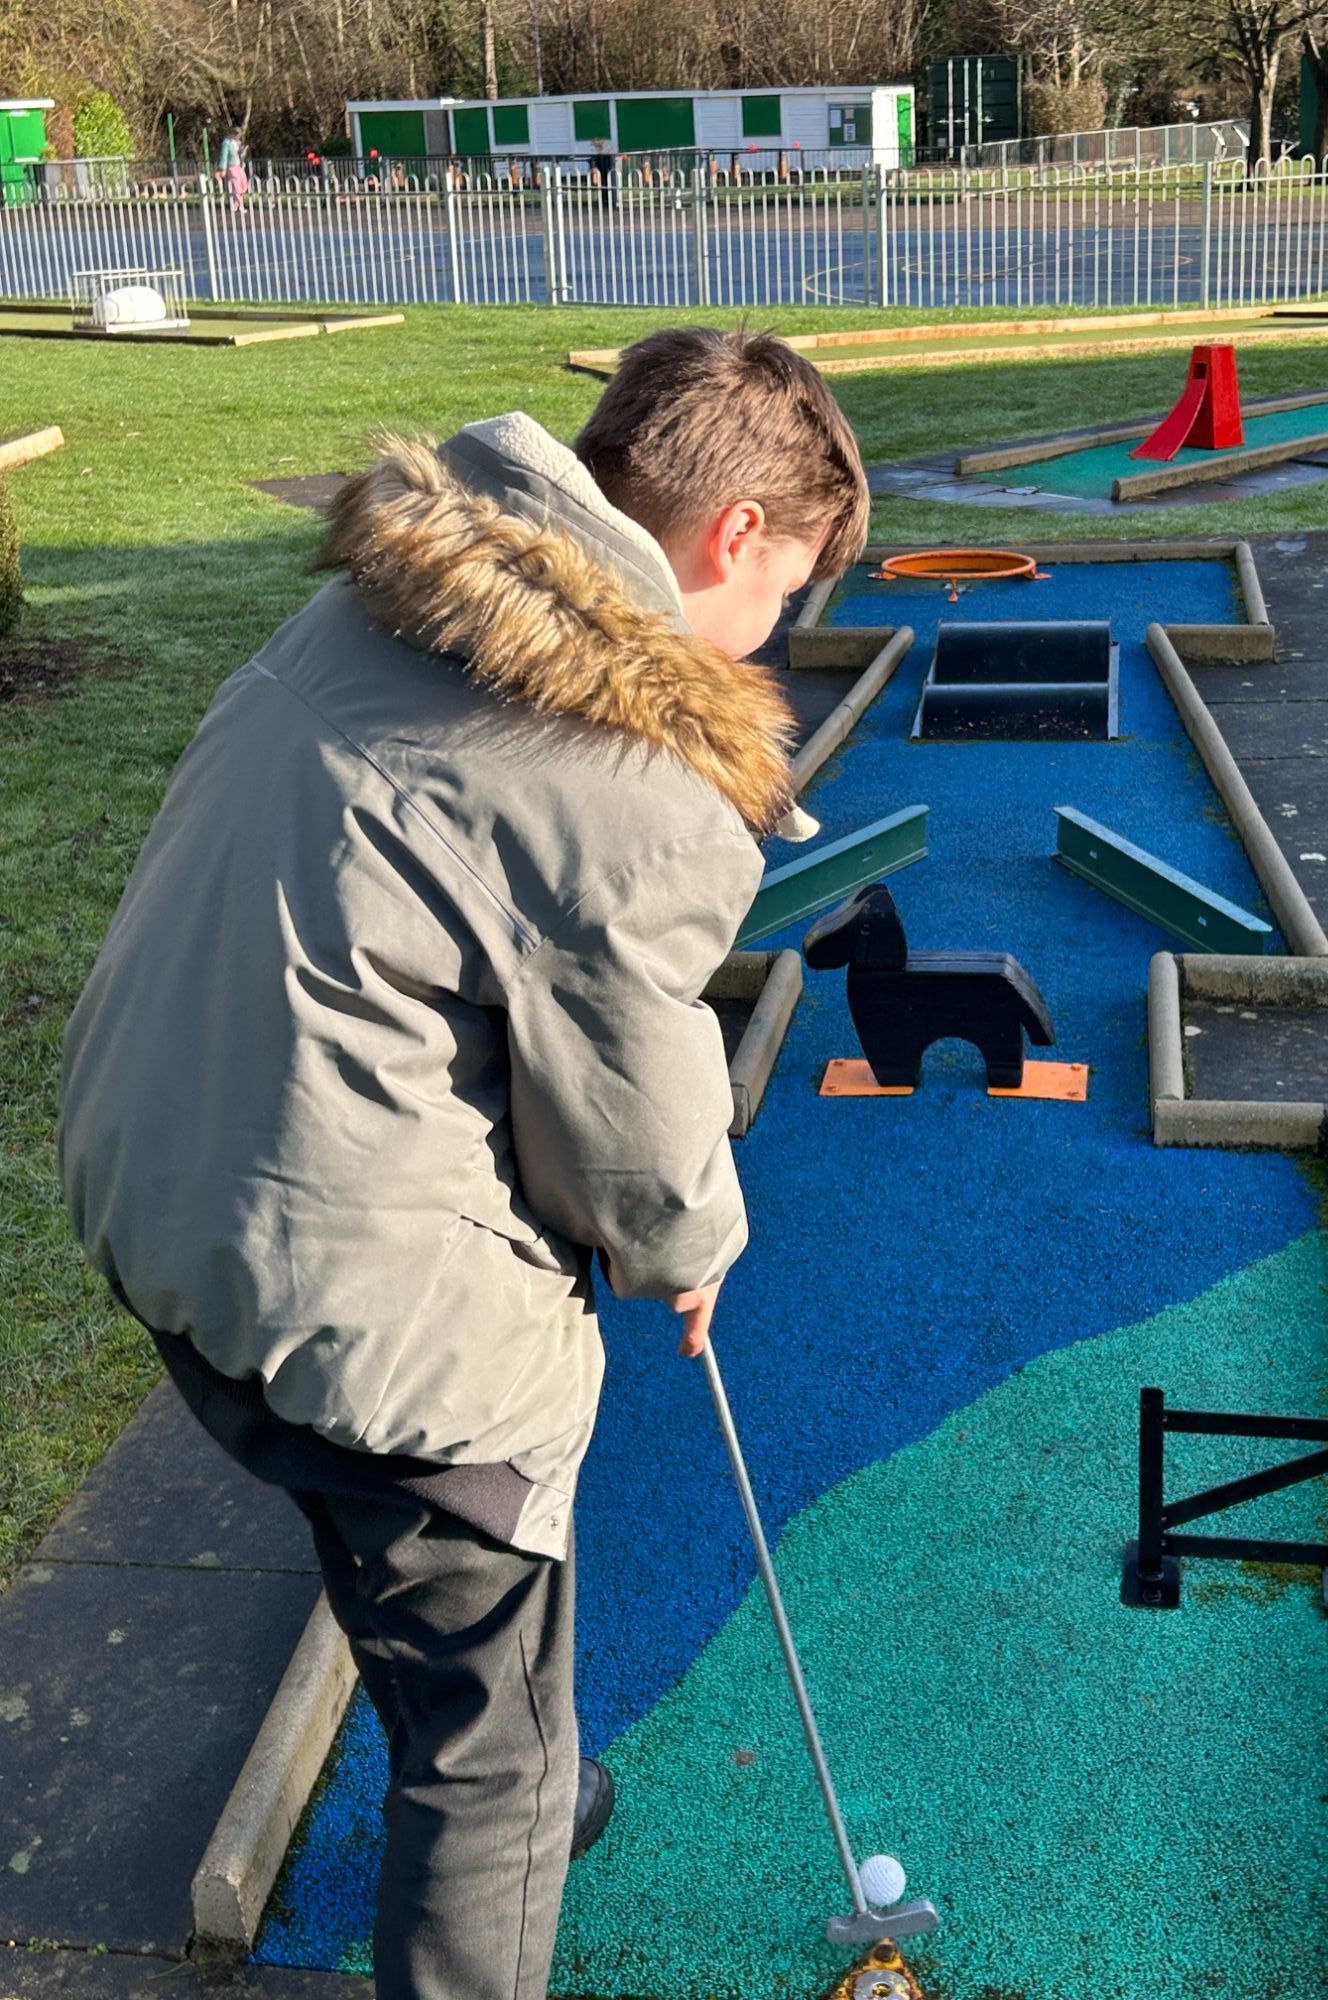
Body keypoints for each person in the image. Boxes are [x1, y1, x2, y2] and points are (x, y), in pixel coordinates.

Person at [57, 327, 868, 2000]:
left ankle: (533, 1769)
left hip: (164, 1200)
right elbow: (638, 1146)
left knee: (391, 1545)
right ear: (734, 540)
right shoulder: (640, 783)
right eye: (785, 593)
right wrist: (691, 1248)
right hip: (344, 1294)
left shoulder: (391, 596)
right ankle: (517, 1798)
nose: (773, 635)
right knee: (482, 1741)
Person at [215, 124, 249, 213]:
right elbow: (224, 156)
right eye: (236, 134)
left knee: (243, 185)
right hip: (231, 166)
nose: (238, 136)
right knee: (236, 186)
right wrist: (222, 168)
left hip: (239, 166)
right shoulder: (226, 143)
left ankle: (236, 204)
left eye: (239, 134)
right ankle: (239, 205)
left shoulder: (237, 142)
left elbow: (240, 154)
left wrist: (243, 153)